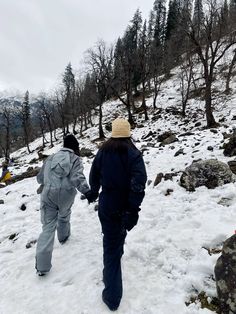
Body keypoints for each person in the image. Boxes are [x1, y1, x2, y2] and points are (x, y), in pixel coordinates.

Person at [89, 118, 147, 311]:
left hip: (106, 205)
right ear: (128, 133)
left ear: (113, 133)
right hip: (123, 208)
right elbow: (138, 185)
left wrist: (94, 190)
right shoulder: (134, 154)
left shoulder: (103, 151)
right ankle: (113, 298)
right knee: (114, 244)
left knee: (111, 243)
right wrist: (133, 209)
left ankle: (111, 291)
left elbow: (94, 174)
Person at [35, 134, 96, 276]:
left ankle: (42, 267)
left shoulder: (50, 158)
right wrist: (87, 192)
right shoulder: (75, 159)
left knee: (48, 227)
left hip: (48, 194)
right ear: (75, 147)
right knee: (64, 215)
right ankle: (63, 237)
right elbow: (77, 177)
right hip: (66, 195)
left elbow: (39, 178)